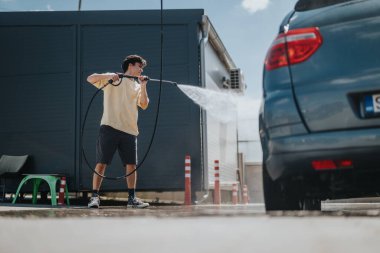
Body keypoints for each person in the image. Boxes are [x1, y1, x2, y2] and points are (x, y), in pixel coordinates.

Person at [86, 55, 150, 208]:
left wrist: (143, 85)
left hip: (130, 130)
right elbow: (90, 78)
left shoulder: (137, 86)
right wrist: (109, 76)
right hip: (109, 127)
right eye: (139, 66)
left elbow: (144, 104)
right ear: (130, 65)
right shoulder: (113, 80)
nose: (141, 69)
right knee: (101, 163)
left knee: (131, 165)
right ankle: (95, 197)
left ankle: (132, 199)